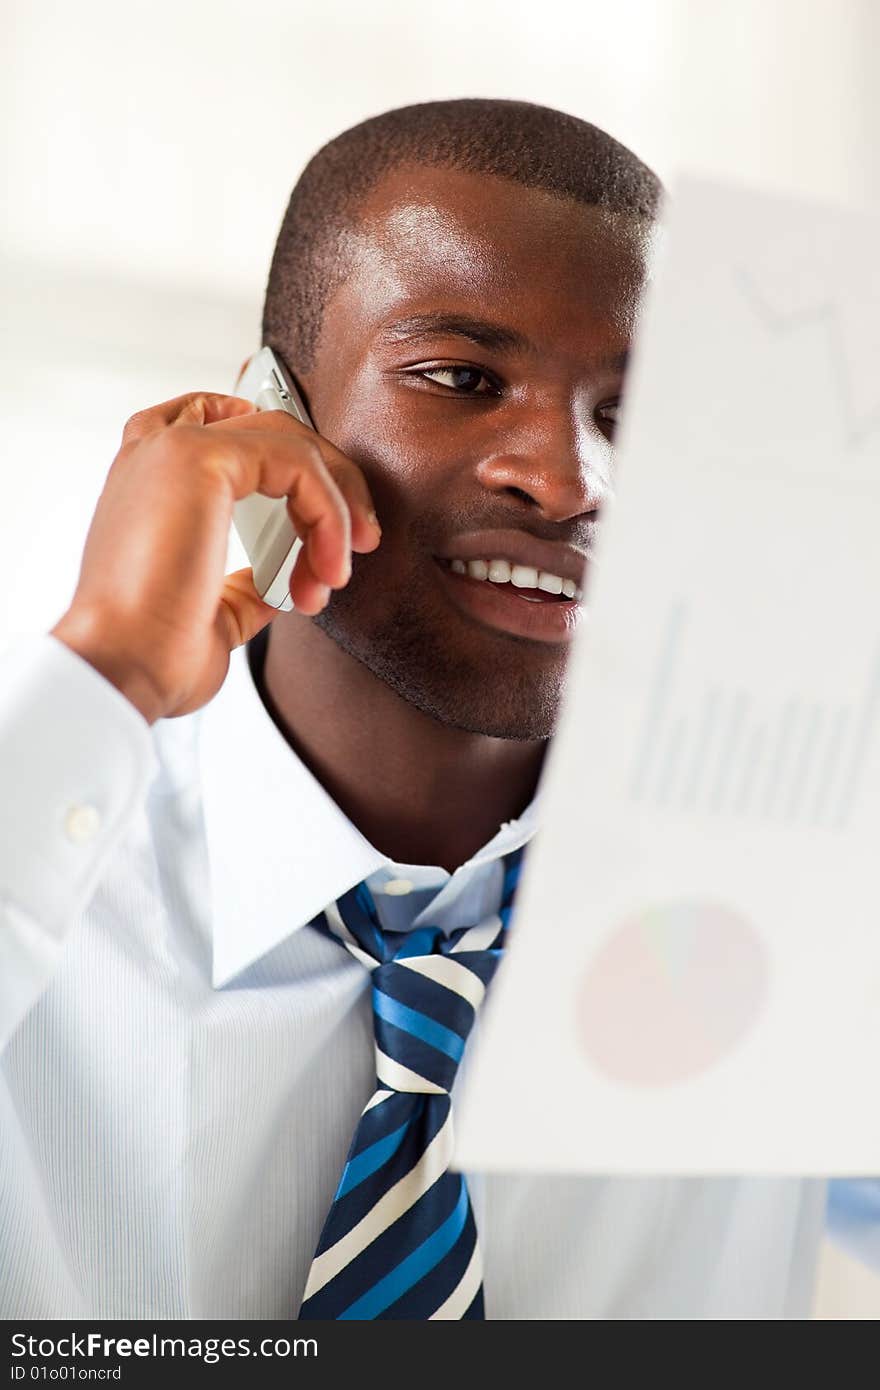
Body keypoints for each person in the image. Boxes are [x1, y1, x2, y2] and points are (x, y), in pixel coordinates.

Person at [0, 98, 874, 1321]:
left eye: (632, 414)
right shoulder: (42, 881)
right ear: (267, 409)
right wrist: (110, 668)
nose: (571, 481)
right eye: (461, 377)